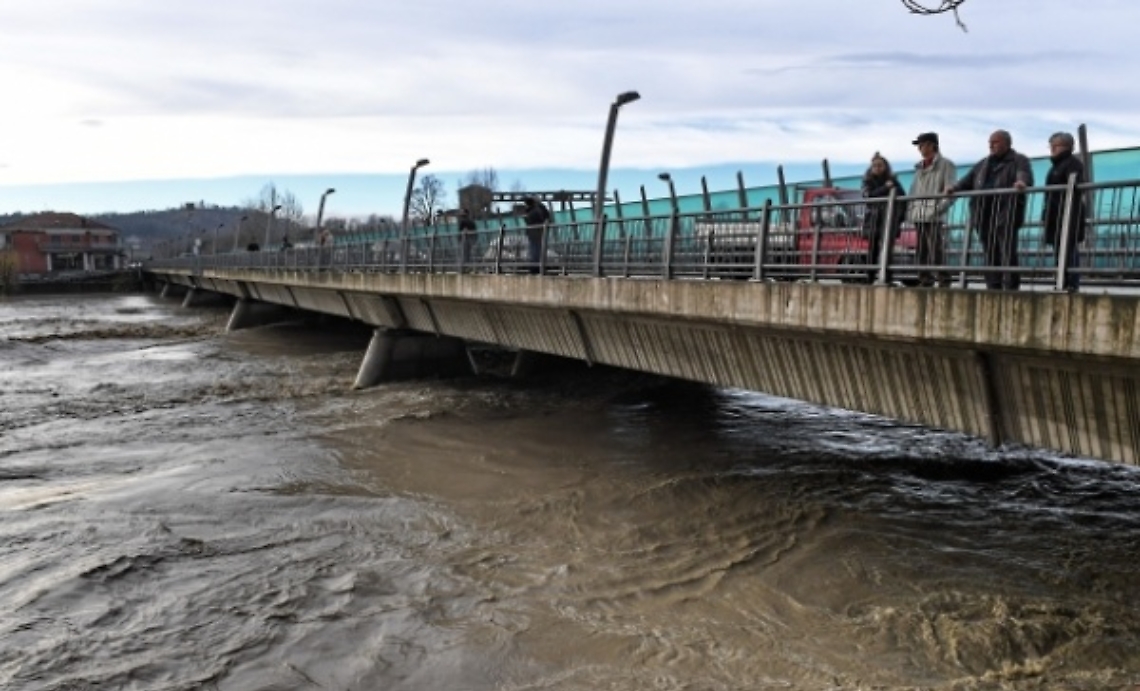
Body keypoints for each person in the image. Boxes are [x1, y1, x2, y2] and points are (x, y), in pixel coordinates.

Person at [946, 130, 1034, 291]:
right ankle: (993, 286)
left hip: (1006, 213)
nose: (991, 145)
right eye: (990, 142)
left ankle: (1011, 287)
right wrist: (954, 188)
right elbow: (967, 180)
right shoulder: (983, 164)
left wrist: (1021, 183)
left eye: (995, 142)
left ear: (1007, 143)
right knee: (990, 251)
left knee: (1007, 251)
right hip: (983, 214)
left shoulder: (1018, 160)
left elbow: (1024, 175)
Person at [906, 132, 957, 287]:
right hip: (919, 213)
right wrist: (911, 209)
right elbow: (913, 191)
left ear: (931, 145)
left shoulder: (946, 164)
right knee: (921, 249)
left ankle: (944, 279)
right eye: (919, 146)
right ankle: (925, 279)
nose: (920, 149)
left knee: (936, 248)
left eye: (922, 145)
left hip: (934, 214)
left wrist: (938, 209)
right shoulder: (919, 168)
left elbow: (951, 190)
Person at [1042, 132, 1086, 292]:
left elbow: (1074, 186)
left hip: (1068, 214)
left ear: (1067, 146)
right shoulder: (1056, 166)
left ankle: (1070, 283)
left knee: (1069, 249)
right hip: (1056, 215)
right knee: (1060, 251)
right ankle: (1062, 281)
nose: (1052, 149)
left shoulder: (1072, 164)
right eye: (1051, 145)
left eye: (1056, 145)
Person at [860, 153, 906, 283]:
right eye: (875, 165)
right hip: (874, 220)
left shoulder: (893, 181)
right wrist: (885, 188)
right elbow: (868, 196)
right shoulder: (868, 181)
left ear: (885, 166)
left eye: (880, 165)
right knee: (873, 249)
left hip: (890, 219)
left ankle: (887, 277)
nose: (877, 168)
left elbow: (903, 197)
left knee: (888, 249)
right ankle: (869, 277)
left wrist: (900, 217)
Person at [521, 196, 550, 274]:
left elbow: (532, 220)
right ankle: (537, 265)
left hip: (534, 232)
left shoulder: (534, 210)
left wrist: (526, 217)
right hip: (538, 232)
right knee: (537, 249)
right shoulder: (539, 209)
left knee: (534, 250)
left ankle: (535, 266)